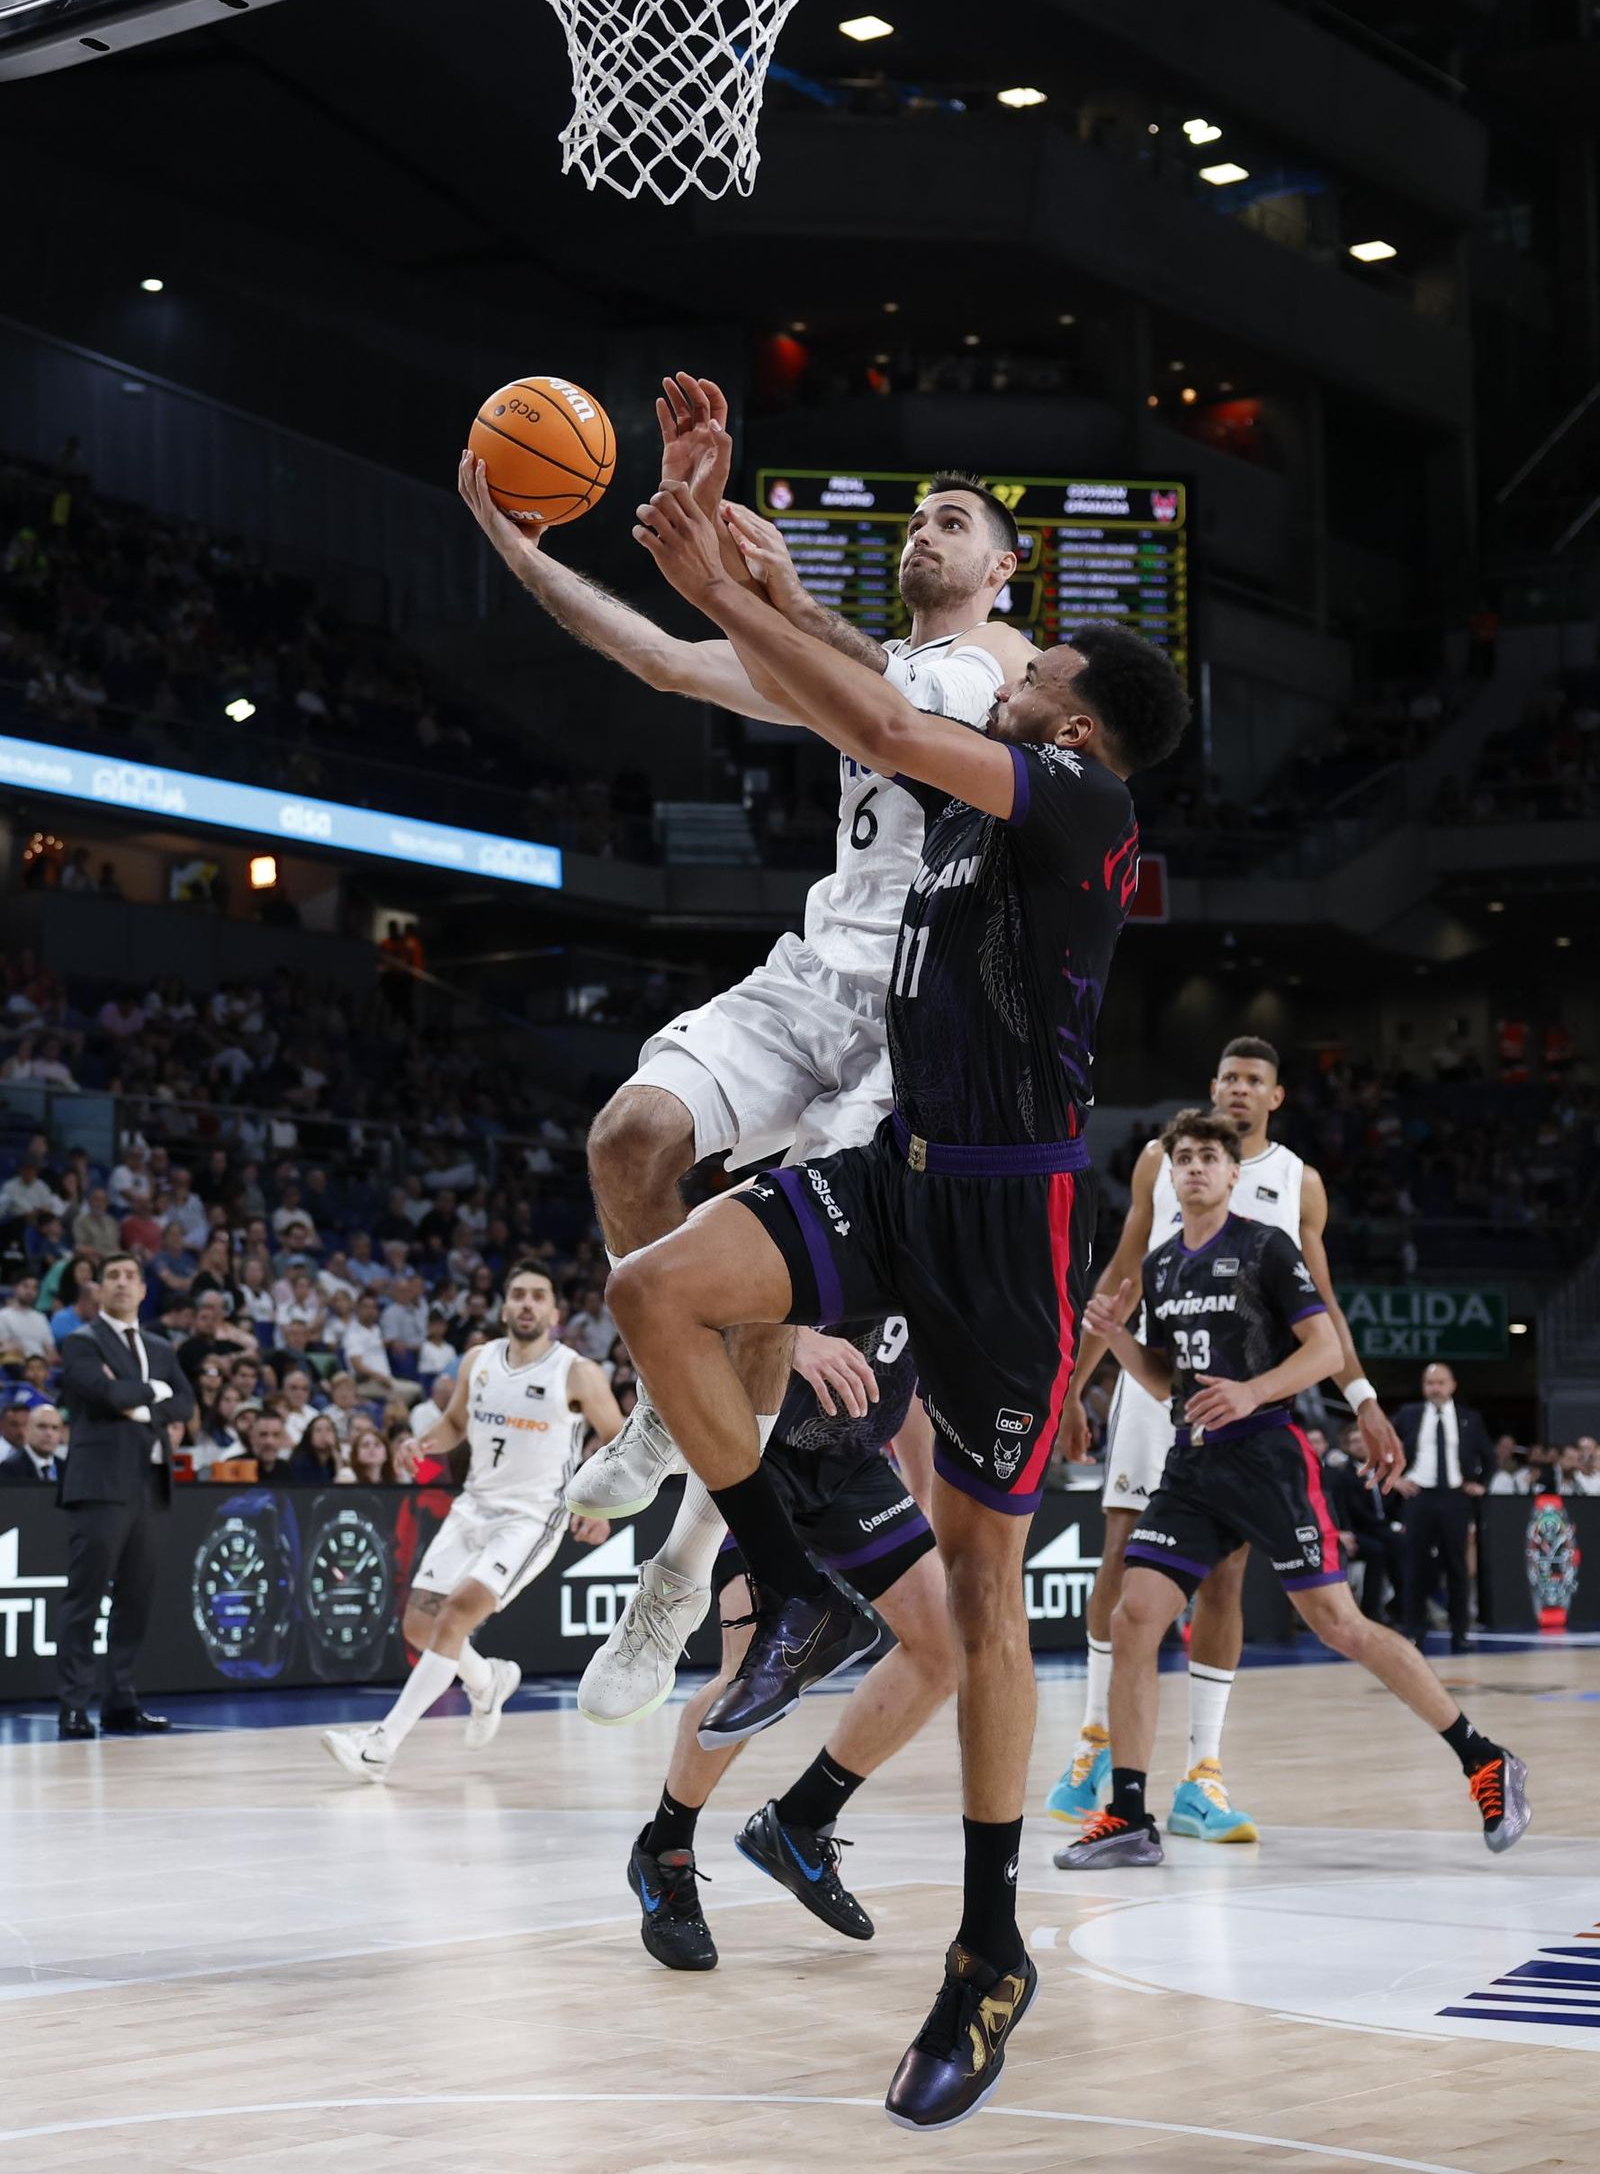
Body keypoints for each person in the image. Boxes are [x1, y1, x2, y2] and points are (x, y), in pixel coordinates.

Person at [606, 480, 1193, 2132]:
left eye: (1034, 664)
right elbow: (848, 701)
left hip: (1012, 1221)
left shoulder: (1070, 799)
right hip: (897, 1174)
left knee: (985, 1590)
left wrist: (732, 592)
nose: (1007, 672)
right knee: (655, 1287)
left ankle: (989, 1946)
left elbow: (867, 704)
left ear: (1072, 718)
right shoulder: (974, 795)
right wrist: (747, 582)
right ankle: (790, 1587)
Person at [462, 381, 1033, 1727]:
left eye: (954, 523)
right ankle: (674, 1404)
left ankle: (684, 1568)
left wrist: (748, 580)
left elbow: (892, 701)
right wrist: (523, 549)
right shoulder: (843, 671)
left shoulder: (1004, 667)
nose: (928, 536)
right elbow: (662, 660)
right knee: (628, 1141)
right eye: (921, 521)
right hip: (813, 975)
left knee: (782, 1254)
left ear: (1001, 569)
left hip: (922, 1016)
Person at [1052, 1113, 1528, 1876]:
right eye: (1184, 1158)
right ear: (1168, 1173)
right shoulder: (1166, 1264)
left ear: (1233, 1175)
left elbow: (1327, 1349)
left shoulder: (1264, 1247)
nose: (1195, 1168)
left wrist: (1252, 1392)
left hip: (1268, 1458)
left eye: (1209, 1157)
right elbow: (1167, 1379)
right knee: (1134, 1615)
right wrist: (1115, 1338)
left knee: (1341, 1624)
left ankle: (1483, 1758)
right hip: (1192, 1466)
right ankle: (1129, 1815)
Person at [1045, 1034, 1401, 1842]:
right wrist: (1075, 1387)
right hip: (1154, 1392)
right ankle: (1094, 1744)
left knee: (1225, 1585)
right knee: (1121, 1562)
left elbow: (1324, 1306)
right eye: (1228, 1077)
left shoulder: (1296, 1183)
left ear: (1275, 1098)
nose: (1239, 1089)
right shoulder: (1162, 1161)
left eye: (1254, 1081)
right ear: (1213, 1086)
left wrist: (1364, 1398)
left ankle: (1202, 1772)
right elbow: (1120, 1276)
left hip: (1240, 1408)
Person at [629, 1315, 957, 1972]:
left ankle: (801, 1820)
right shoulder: (819, 1215)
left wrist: (920, 1484)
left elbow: (910, 1368)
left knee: (944, 1648)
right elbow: (693, 1307)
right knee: (751, 1672)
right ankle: (663, 1853)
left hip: (851, 1466)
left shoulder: (936, 1242)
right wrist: (789, 1339)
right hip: (756, 1456)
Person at [320, 1262, 623, 1782]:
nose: (527, 1304)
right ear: (504, 1307)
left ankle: (380, 1745)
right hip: (473, 1506)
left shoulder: (576, 1372)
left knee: (456, 1614)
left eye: (538, 1296)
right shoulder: (477, 1361)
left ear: (553, 1312)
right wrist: (422, 1443)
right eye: (518, 1295)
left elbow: (618, 1439)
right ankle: (486, 1682)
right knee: (418, 1624)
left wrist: (603, 1510)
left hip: (531, 1517)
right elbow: (456, 1423)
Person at [55, 1250, 196, 1738]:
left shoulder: (160, 1346)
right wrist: (151, 1395)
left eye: (129, 1276)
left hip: (150, 1485)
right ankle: (73, 1706)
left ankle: (121, 1701)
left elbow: (186, 1401)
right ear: (96, 1289)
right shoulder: (81, 1341)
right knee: (85, 1600)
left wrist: (142, 1400)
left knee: (135, 1601)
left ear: (142, 1289)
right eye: (111, 1276)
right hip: (100, 1484)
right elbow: (103, 1393)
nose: (121, 1282)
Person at [1395, 1362, 1492, 1652]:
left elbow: (1489, 1455)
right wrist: (1396, 1479)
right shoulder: (1408, 1415)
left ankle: (1460, 1632)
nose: (1434, 1388)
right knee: (1415, 1566)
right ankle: (1413, 1630)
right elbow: (1386, 1448)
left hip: (1454, 1498)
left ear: (1452, 1385)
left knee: (1457, 1568)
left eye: (1440, 1382)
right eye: (1429, 1383)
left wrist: (1481, 1483)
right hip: (1419, 1497)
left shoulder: (1469, 1418)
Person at [1329, 1421, 1404, 1620]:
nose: (1360, 1445)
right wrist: (1345, 1531)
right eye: (1354, 1441)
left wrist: (1398, 1523)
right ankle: (1372, 1610)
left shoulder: (1386, 1471)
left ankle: (1403, 1605)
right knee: (1378, 1550)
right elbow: (1345, 1508)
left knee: (1402, 1545)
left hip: (1382, 1528)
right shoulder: (1343, 1475)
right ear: (1347, 1446)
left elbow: (1395, 1504)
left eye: (1363, 1440)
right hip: (1359, 1531)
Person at [0, 1401, 65, 1484]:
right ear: (27, 1429)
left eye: (55, 1428)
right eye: (42, 1426)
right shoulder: (8, 1469)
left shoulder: (67, 1468)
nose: (49, 1433)